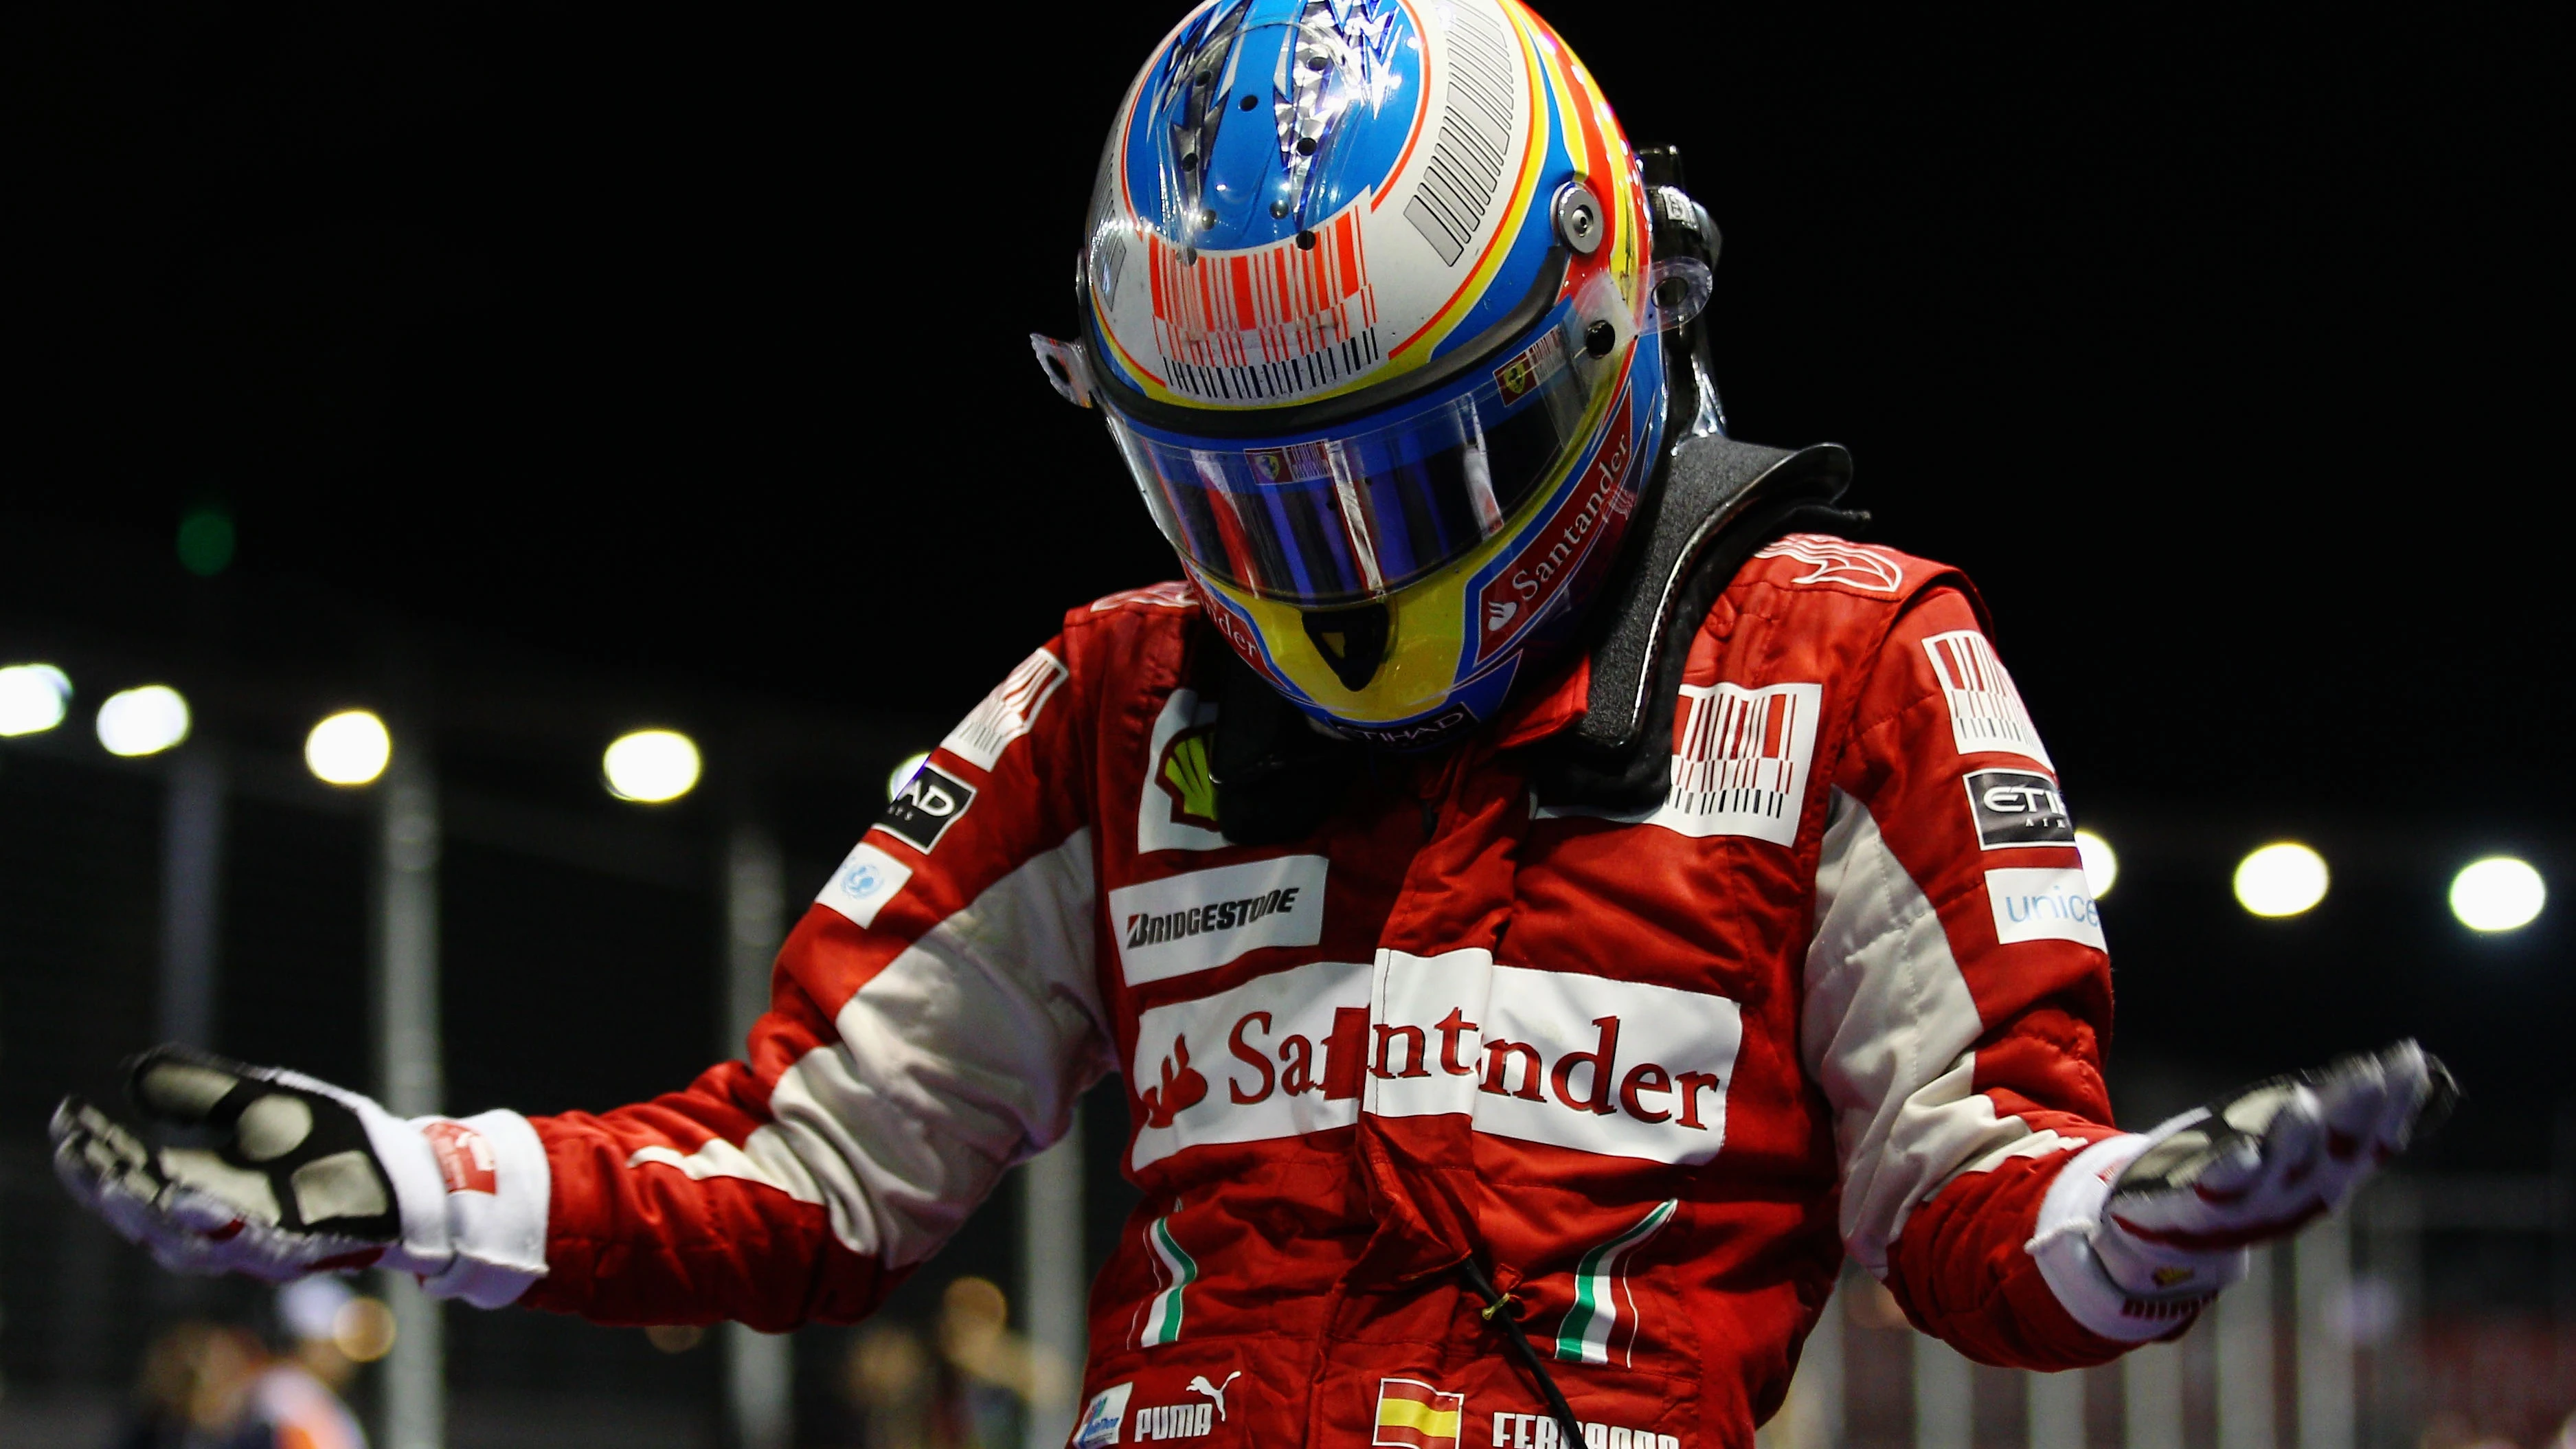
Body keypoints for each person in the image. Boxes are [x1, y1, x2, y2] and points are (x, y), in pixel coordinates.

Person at [53, 2, 2450, 1444]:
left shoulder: (1841, 659)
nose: (1332, 562)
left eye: (1410, 467)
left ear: (1610, 325)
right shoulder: (1114, 693)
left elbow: (1968, 1194)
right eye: (1247, 492)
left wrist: (2136, 1218)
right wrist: (412, 1179)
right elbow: (806, 1166)